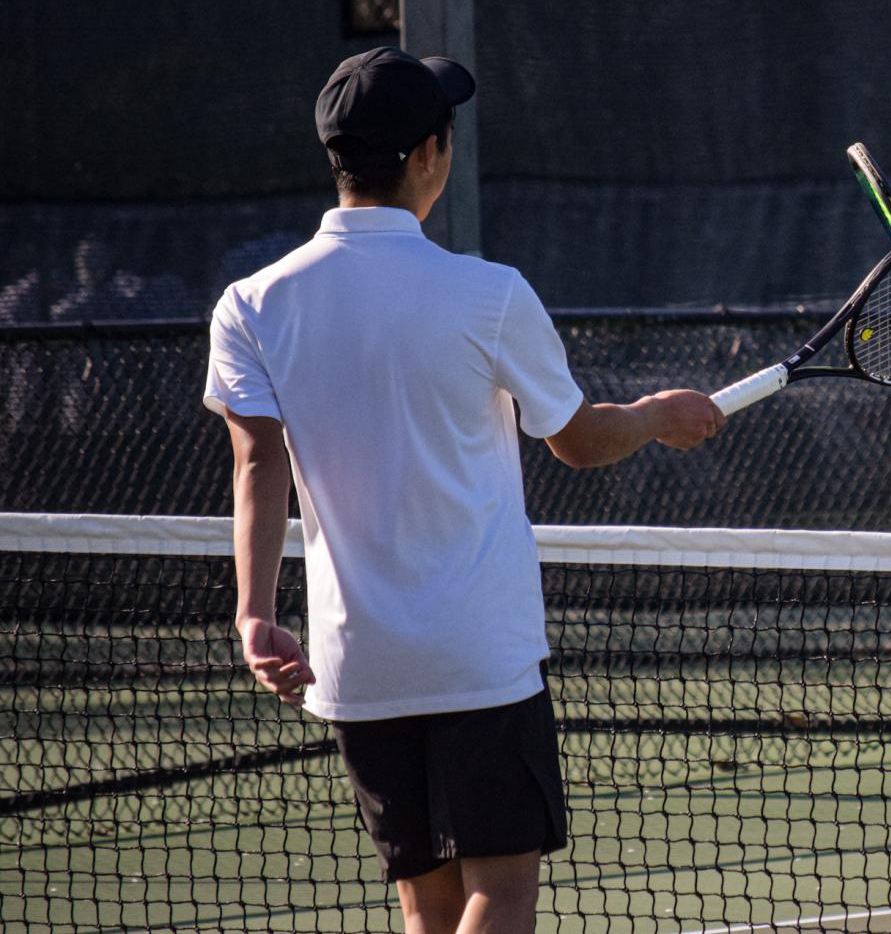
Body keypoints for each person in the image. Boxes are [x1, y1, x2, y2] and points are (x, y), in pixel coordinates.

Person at [203, 46, 725, 934]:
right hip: (477, 654)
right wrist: (653, 416)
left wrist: (253, 613)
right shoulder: (489, 294)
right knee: (502, 894)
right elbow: (577, 442)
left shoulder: (250, 303)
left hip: (357, 659)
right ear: (427, 157)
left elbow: (259, 469)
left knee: (429, 904)